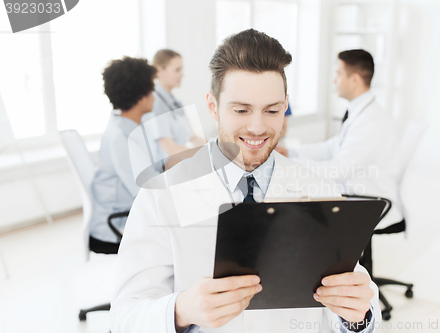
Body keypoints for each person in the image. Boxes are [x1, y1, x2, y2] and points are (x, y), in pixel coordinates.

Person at [110, 30, 381, 333]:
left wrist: (356, 316)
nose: (257, 127)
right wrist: (180, 310)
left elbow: (358, 297)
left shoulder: (319, 191)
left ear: (285, 105)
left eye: (272, 110)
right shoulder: (160, 196)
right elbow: (124, 316)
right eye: (241, 110)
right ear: (213, 106)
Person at [276, 49, 402, 229]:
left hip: (370, 200)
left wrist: (292, 164)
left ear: (355, 80)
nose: (335, 80)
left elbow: (337, 171)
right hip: (356, 191)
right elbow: (332, 147)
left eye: (338, 74)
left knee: (298, 206)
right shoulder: (360, 111)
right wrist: (291, 152)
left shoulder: (370, 122)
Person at [89, 57, 158, 250]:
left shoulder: (127, 125)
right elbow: (145, 192)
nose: (154, 95)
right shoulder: (123, 136)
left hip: (127, 215)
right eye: (152, 89)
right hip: (114, 228)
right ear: (141, 96)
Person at [142, 49, 206, 169]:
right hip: (164, 171)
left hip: (178, 166)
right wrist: (207, 155)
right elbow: (169, 148)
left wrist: (215, 147)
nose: (182, 74)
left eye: (182, 69)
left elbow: (191, 136)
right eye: (177, 70)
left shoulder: (176, 103)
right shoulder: (154, 103)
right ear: (159, 71)